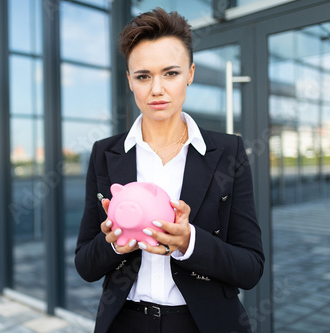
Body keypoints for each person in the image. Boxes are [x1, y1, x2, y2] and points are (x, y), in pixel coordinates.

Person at [75, 8, 264, 333]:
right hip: (125, 323)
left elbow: (250, 267)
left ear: (190, 74)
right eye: (143, 76)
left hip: (205, 325)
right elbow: (85, 265)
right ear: (130, 81)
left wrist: (190, 242)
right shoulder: (105, 154)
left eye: (171, 73)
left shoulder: (227, 151)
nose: (157, 89)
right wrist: (114, 244)